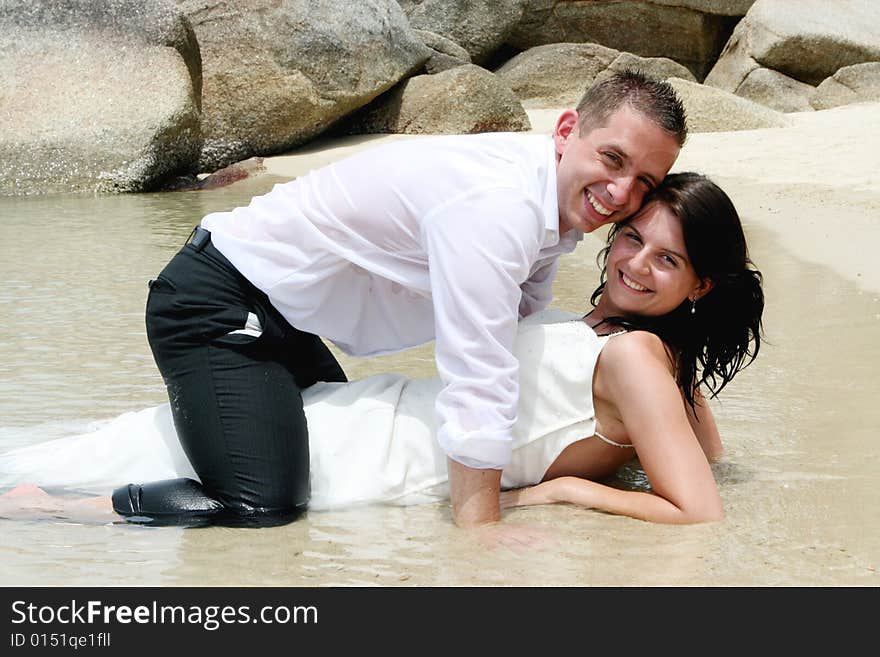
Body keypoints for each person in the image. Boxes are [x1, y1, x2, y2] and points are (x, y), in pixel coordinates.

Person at [91, 69, 686, 528]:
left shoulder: (547, 205)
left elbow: (519, 330)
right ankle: (66, 510)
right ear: (565, 132)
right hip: (214, 298)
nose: (620, 192)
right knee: (265, 504)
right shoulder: (498, 207)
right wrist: (478, 525)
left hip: (284, 314)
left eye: (645, 182)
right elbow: (478, 367)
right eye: (613, 158)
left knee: (333, 468)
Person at [0, 172, 764, 525]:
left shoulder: (638, 360)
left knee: (160, 469)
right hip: (373, 413)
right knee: (145, 444)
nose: (635, 263)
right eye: (634, 237)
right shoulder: (625, 347)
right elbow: (700, 459)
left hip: (390, 460)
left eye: (668, 260)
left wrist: (561, 492)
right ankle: (43, 500)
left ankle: (57, 511)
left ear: (701, 284)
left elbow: (698, 507)